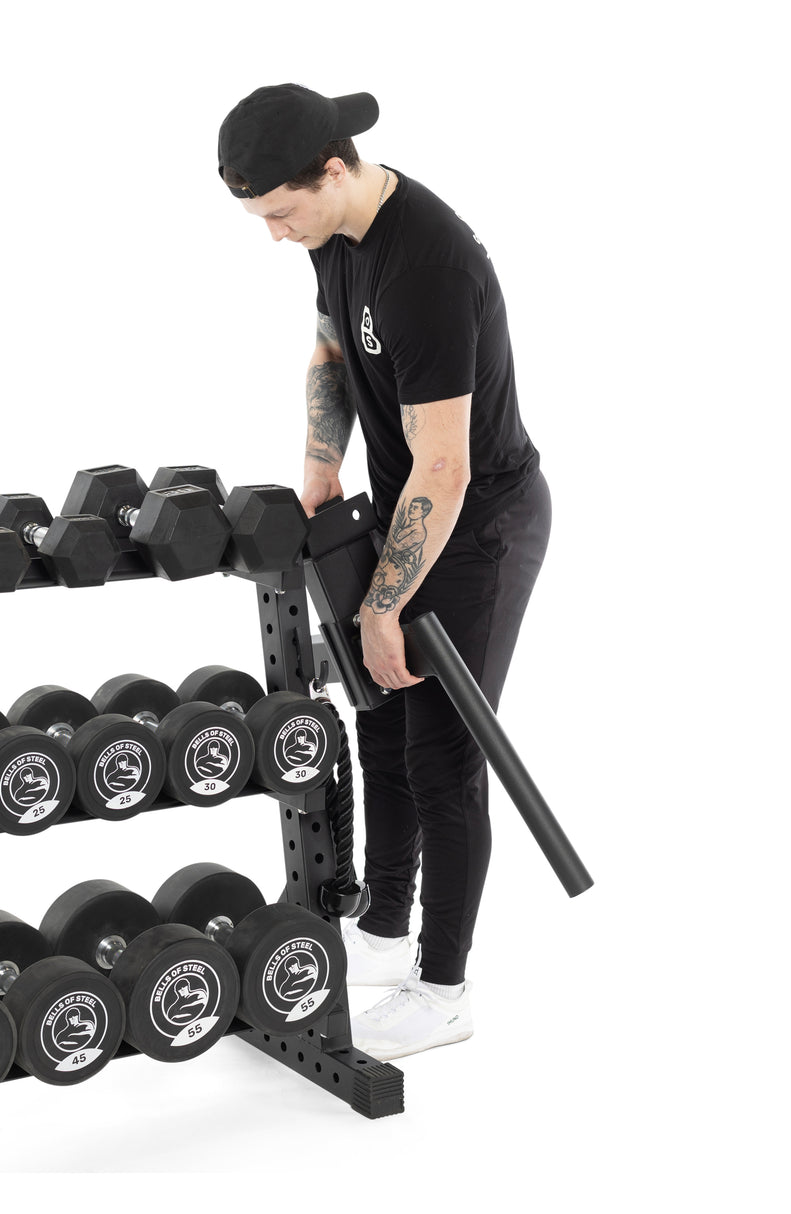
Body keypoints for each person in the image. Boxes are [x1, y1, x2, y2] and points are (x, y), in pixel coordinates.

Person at [217, 84, 551, 1060]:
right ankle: (381, 931)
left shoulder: (430, 265)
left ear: (332, 170)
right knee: (381, 721)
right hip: (407, 507)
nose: (276, 236)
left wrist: (384, 603)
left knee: (441, 757)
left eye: (279, 212)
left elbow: (444, 469)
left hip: (476, 521)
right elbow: (328, 345)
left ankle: (443, 987)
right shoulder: (335, 235)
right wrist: (319, 459)